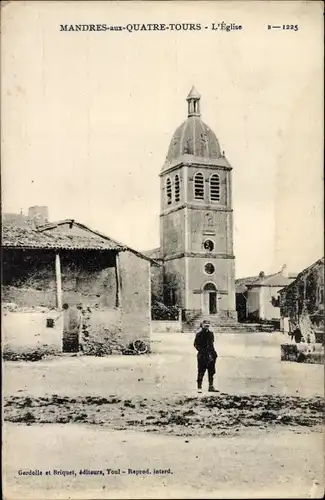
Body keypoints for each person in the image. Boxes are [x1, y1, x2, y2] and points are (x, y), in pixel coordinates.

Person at [194, 320, 218, 393]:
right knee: (201, 371)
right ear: (202, 325)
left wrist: (214, 354)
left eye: (208, 324)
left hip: (211, 356)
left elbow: (211, 344)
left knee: (211, 372)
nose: (207, 326)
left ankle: (211, 386)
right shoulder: (199, 334)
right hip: (202, 356)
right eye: (205, 324)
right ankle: (199, 387)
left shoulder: (211, 334)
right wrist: (202, 352)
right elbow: (195, 345)